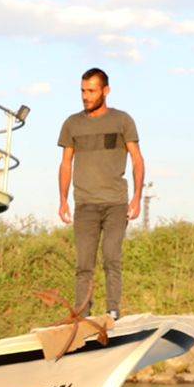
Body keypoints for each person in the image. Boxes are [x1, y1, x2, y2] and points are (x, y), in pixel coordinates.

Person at [56, 69, 144, 319]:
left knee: (111, 258)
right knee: (84, 264)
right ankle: (82, 314)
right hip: (85, 204)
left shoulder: (122, 121)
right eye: (83, 91)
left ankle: (113, 311)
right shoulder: (72, 123)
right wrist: (63, 200)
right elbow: (65, 163)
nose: (86, 96)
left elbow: (137, 160)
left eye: (91, 91)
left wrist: (137, 197)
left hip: (116, 203)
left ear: (106, 91)